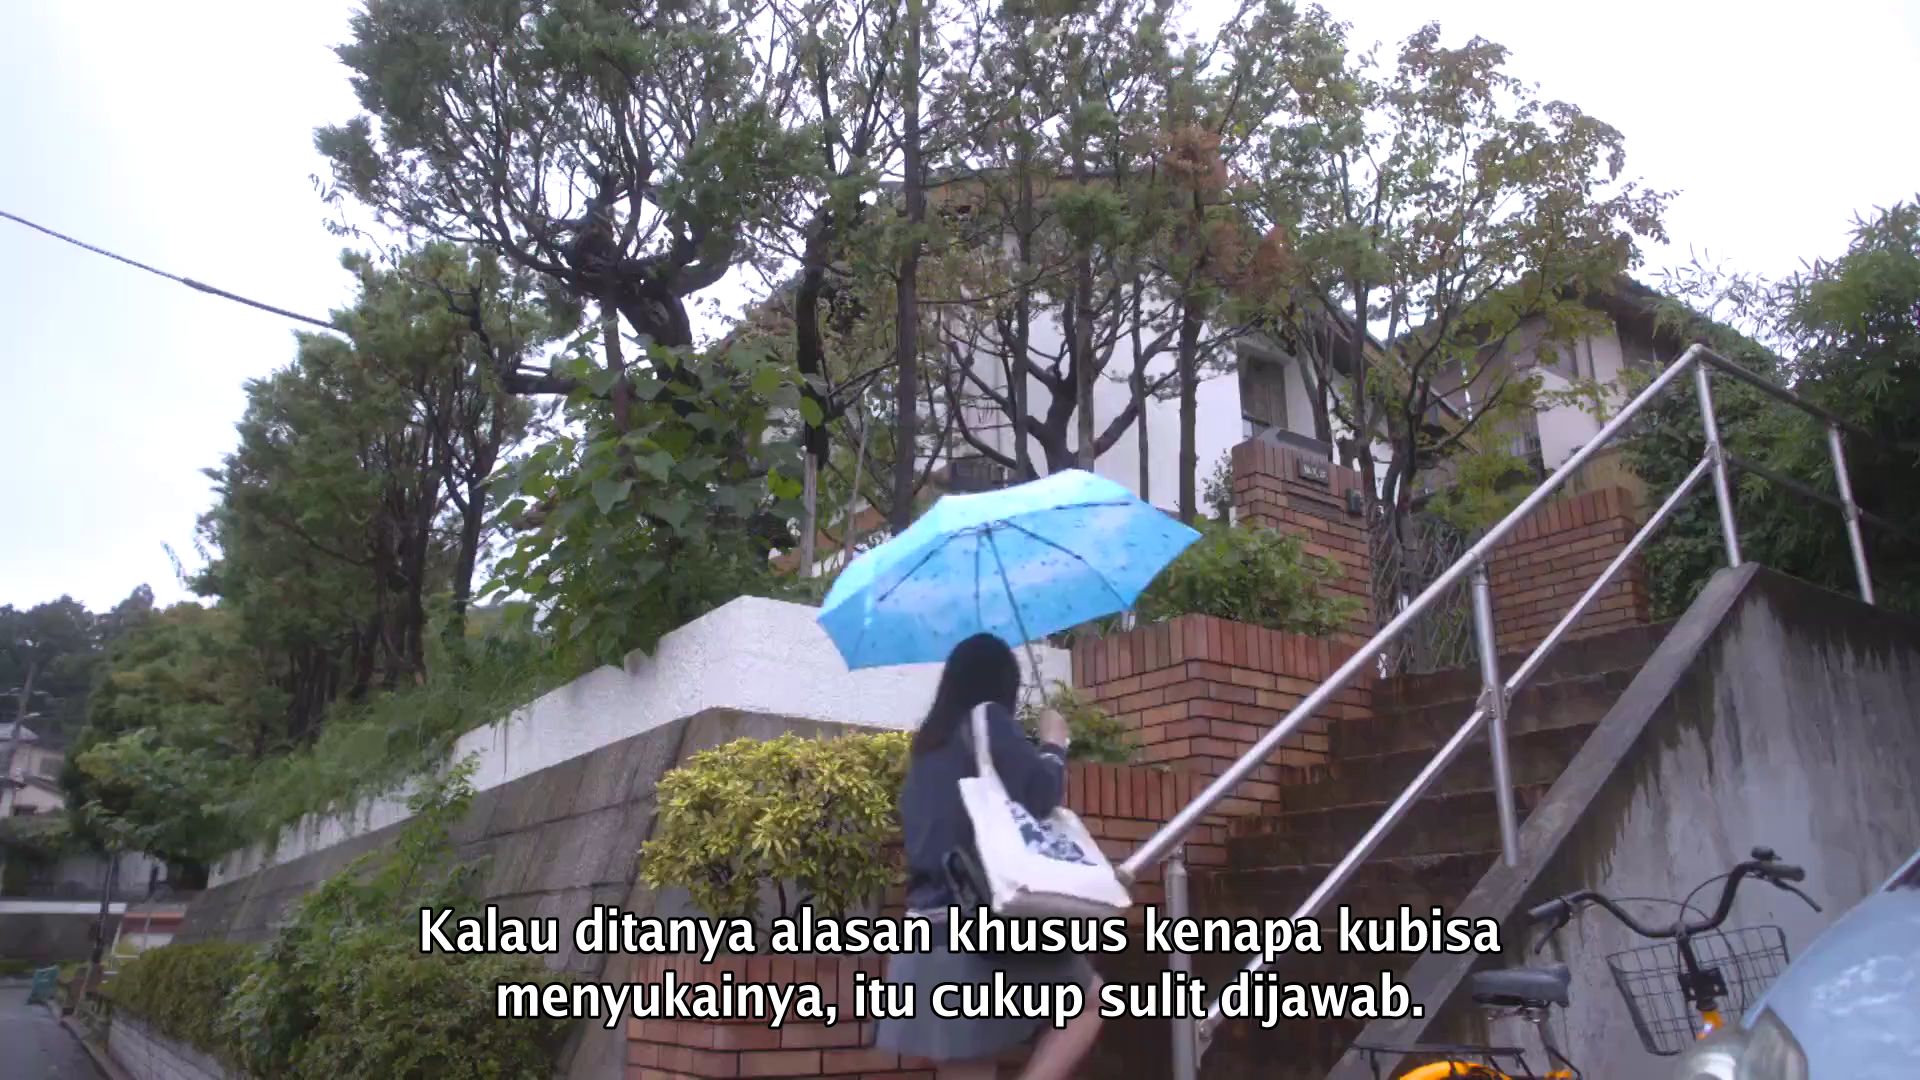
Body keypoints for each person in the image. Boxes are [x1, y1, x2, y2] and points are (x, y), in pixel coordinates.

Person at [873, 633, 1104, 1080]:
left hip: (926, 934)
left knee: (970, 1064)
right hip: (979, 928)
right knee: (1089, 1001)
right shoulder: (988, 720)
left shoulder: (927, 747)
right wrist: (1054, 745)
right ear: (1002, 684)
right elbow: (1039, 795)